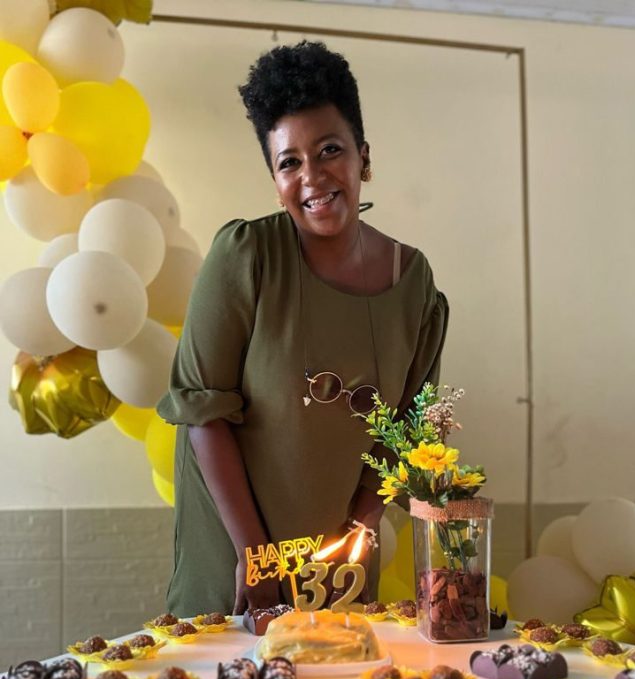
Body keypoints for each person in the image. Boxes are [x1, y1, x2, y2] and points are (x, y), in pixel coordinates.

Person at [157, 41, 448, 617]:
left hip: (337, 563)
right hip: (236, 553)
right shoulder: (246, 256)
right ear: (274, 178)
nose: (312, 176)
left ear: (364, 157)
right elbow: (202, 414)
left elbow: (406, 430)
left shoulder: (414, 284)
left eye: (330, 150)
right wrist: (257, 556)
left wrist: (361, 528)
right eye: (289, 162)